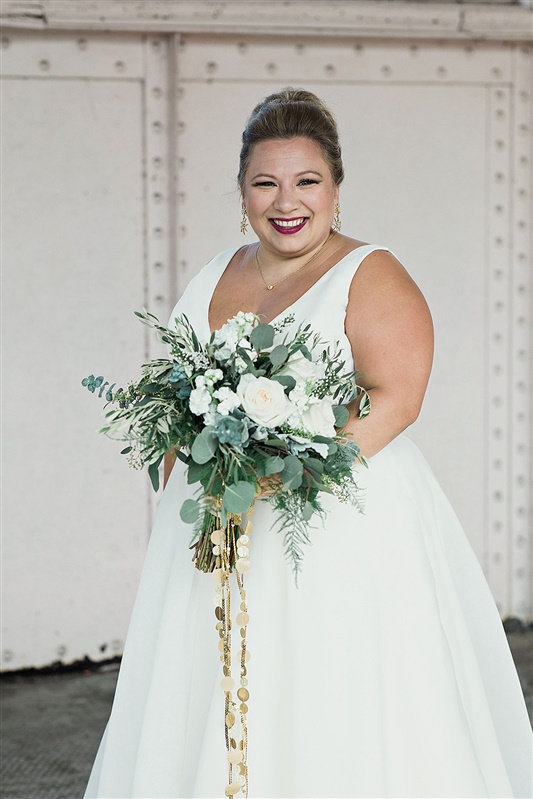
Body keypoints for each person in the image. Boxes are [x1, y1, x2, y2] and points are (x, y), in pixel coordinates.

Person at [84, 88, 532, 798]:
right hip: (219, 523)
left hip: (333, 527)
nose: (284, 201)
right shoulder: (212, 276)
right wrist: (185, 483)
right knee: (208, 690)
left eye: (305, 181)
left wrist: (287, 474)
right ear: (241, 192)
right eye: (264, 182)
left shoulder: (370, 272)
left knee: (328, 691)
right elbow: (174, 397)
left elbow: (398, 398)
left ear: (334, 189)